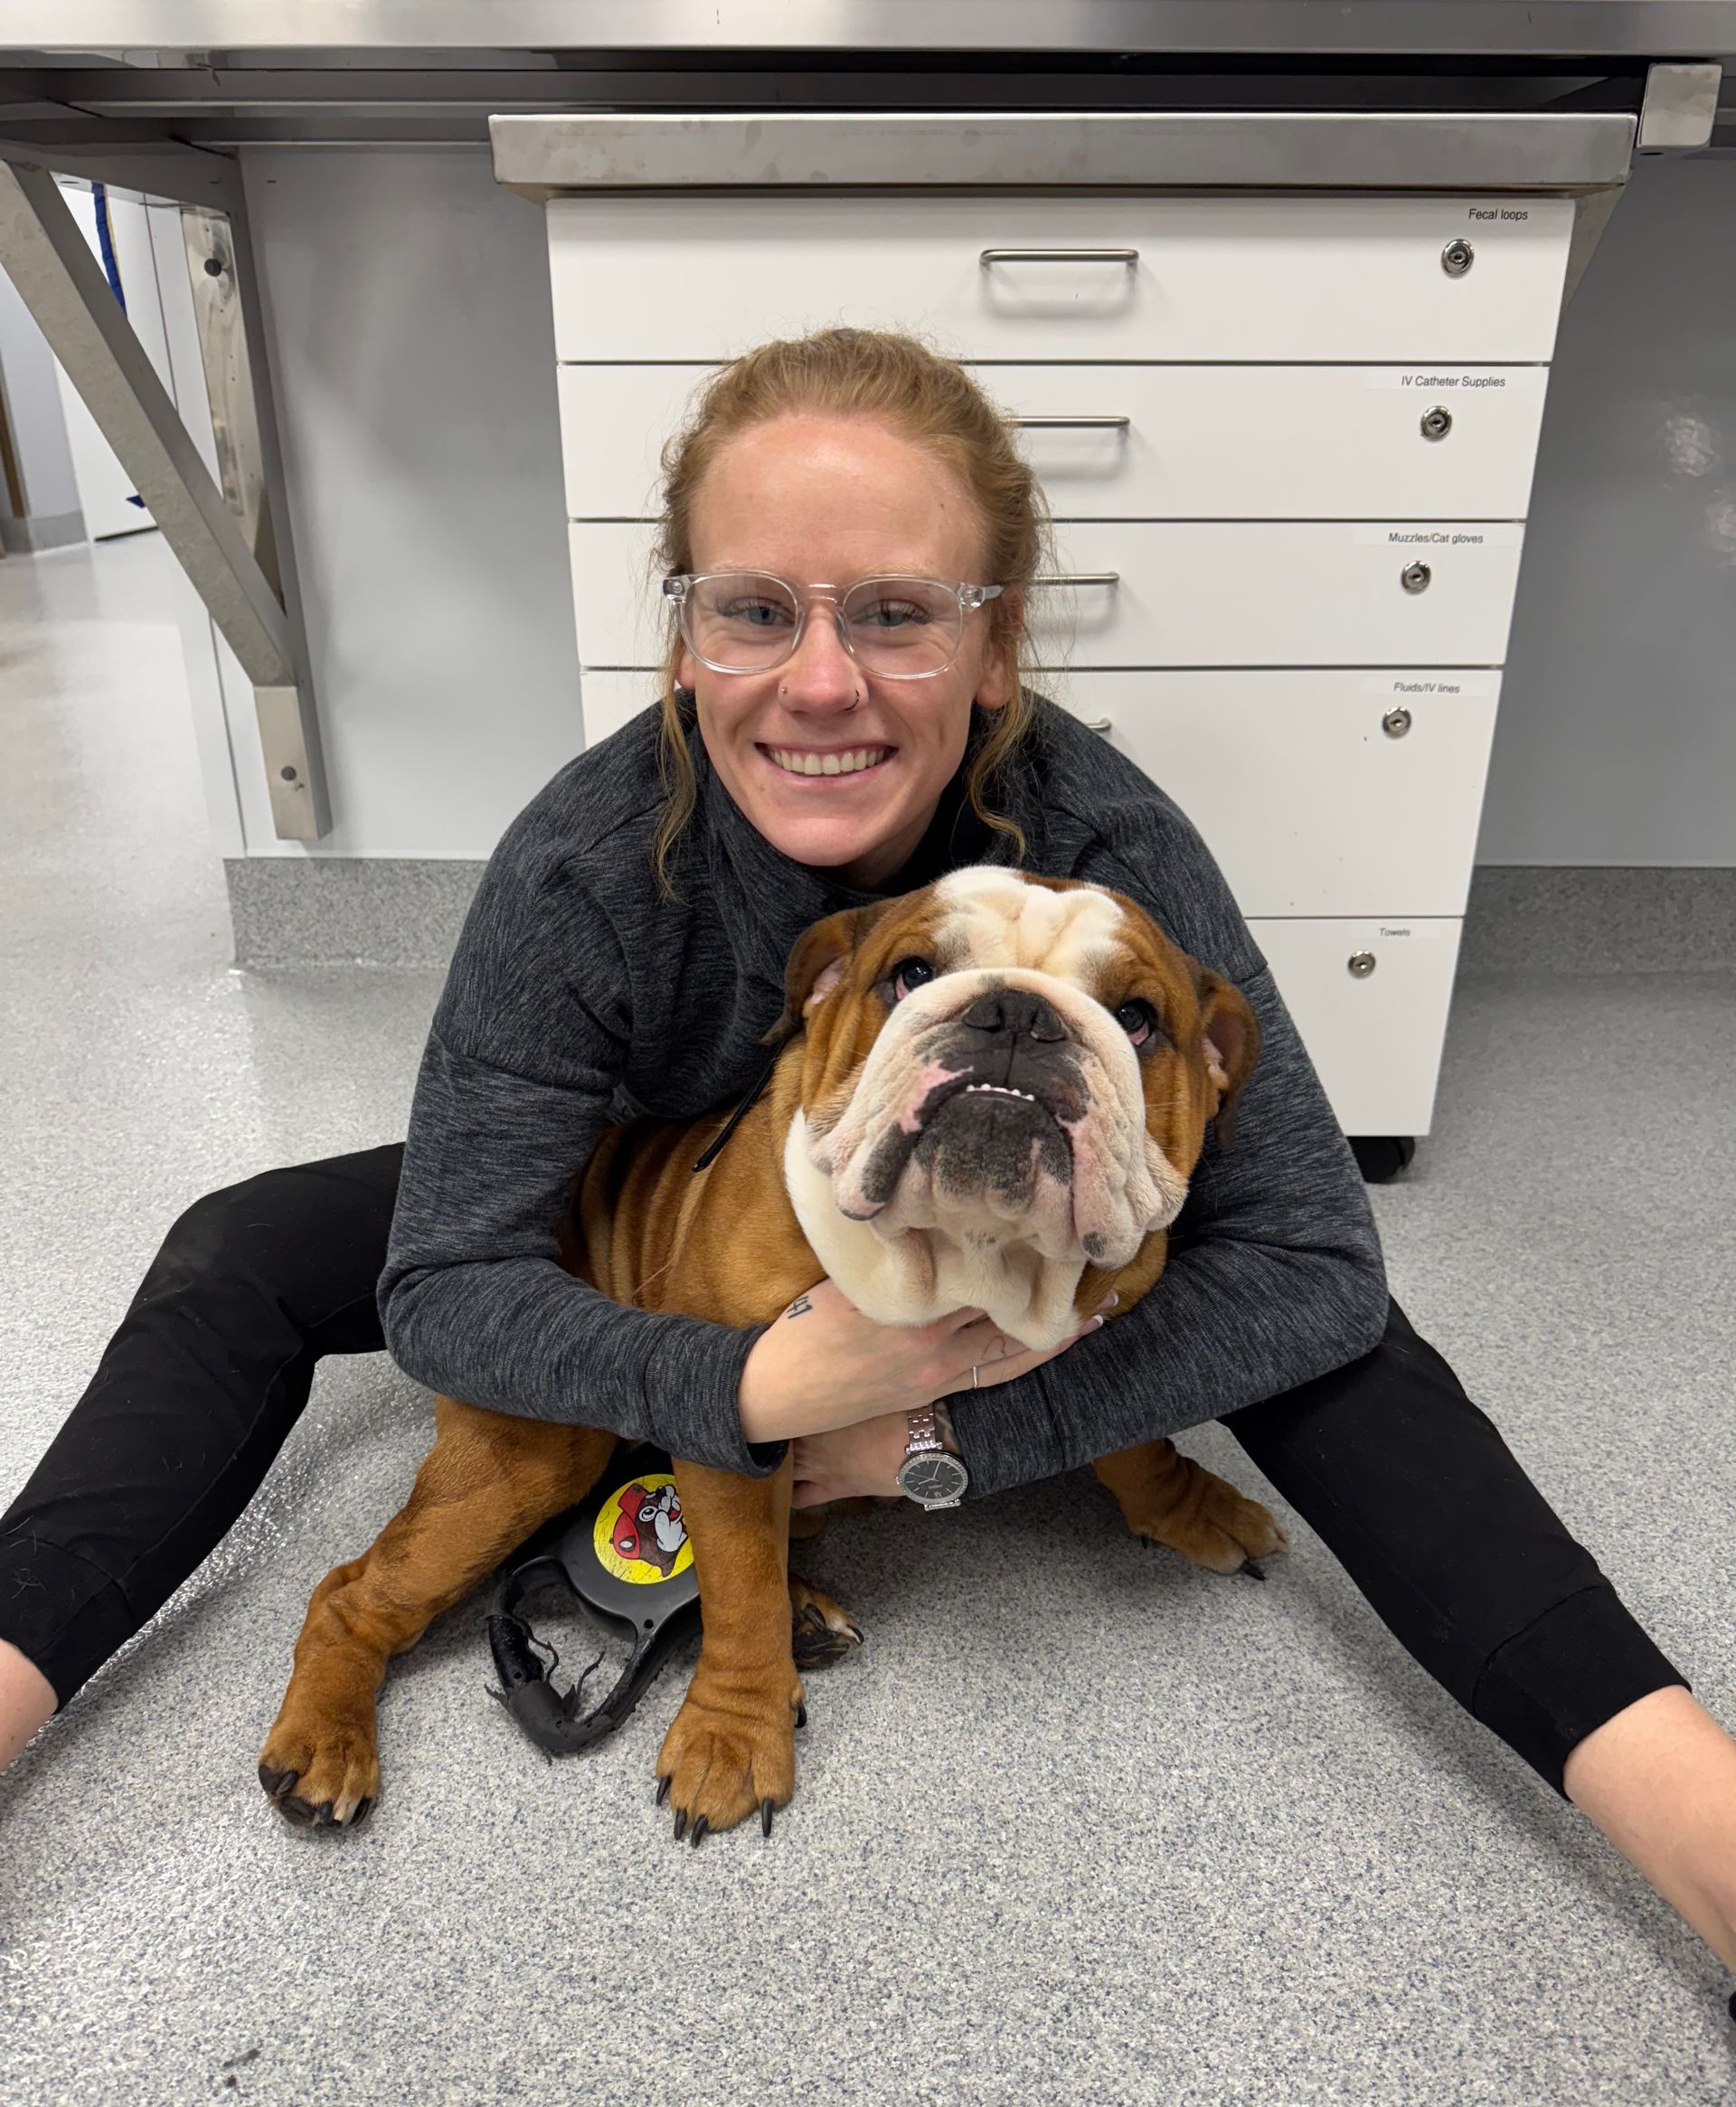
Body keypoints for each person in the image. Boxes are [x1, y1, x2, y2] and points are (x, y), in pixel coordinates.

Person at [3, 326, 1733, 1986]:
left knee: (1335, 1337)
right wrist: (750, 1390)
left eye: (900, 615)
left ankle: (1710, 1836)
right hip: (647, 1188)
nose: (822, 678)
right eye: (757, 610)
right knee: (240, 1249)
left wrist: (932, 1430)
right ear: (684, 639)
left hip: (937, 1244)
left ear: (997, 652)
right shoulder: (584, 865)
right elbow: (451, 1279)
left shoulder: (1113, 847)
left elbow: (1312, 1262)